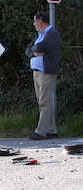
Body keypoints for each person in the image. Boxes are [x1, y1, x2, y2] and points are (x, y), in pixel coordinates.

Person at [24, 11, 61, 140]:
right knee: (43, 101)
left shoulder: (52, 34)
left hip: (46, 72)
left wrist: (35, 49)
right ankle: (52, 130)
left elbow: (42, 46)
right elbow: (28, 49)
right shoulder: (38, 35)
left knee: (44, 102)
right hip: (37, 72)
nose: (34, 24)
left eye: (35, 21)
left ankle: (41, 131)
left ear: (41, 21)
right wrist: (35, 51)